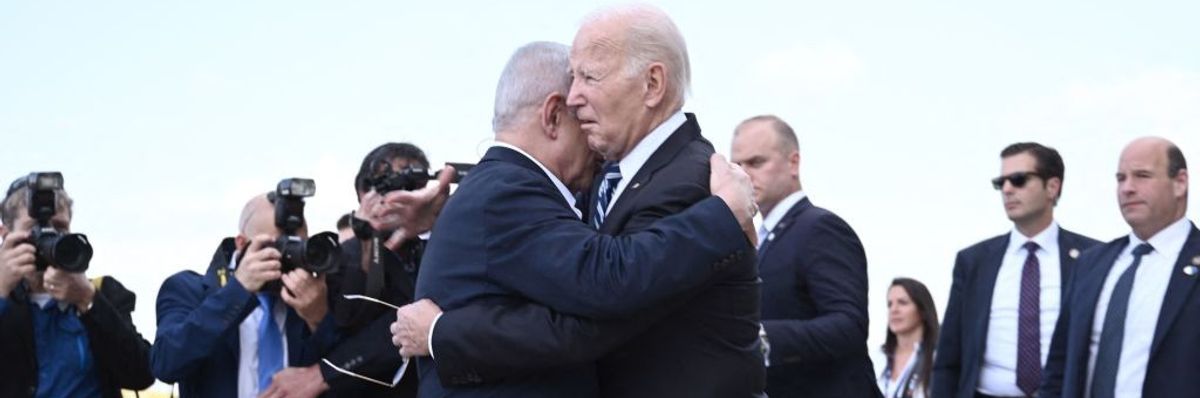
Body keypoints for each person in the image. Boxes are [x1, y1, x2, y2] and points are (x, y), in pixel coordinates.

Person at [393, 38, 760, 398]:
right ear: (553, 116)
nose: (596, 144)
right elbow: (607, 286)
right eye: (584, 123)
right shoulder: (506, 192)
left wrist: (442, 332)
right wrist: (723, 216)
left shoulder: (500, 188)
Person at [261, 143, 455, 398]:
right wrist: (317, 315)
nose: (401, 198)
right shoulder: (334, 257)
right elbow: (344, 332)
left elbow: (416, 317)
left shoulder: (447, 247)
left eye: (412, 185)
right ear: (363, 191)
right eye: (389, 185)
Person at [933, 142, 1101, 398]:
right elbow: (948, 357)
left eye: (1019, 179)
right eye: (1001, 183)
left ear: (1052, 187)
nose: (1008, 189)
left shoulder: (1093, 258)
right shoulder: (974, 261)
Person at [730, 114, 881, 397]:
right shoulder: (761, 239)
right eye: (736, 166)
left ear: (793, 163)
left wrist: (759, 337)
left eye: (757, 162)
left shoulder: (820, 229)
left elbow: (849, 325)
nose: (744, 174)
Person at [1042, 137, 1196, 398]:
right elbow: (1058, 365)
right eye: (1120, 178)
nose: (1127, 188)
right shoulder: (1090, 265)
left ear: (1180, 182)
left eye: (1142, 176)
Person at [150, 193, 338, 397]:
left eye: (296, 246)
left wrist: (319, 319)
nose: (285, 257)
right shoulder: (188, 289)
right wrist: (238, 290)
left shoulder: (319, 294)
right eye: (275, 246)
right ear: (241, 244)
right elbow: (165, 364)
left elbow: (349, 375)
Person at [0, 174, 155, 398]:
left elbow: (141, 374)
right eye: (34, 228)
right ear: (6, 236)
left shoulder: (104, 292)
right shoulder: (6, 300)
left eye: (59, 227)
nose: (48, 235)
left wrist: (87, 300)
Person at [878, 277, 939, 398]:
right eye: (889, 304)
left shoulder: (938, 357)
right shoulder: (877, 357)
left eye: (902, 303)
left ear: (923, 310)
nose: (894, 310)